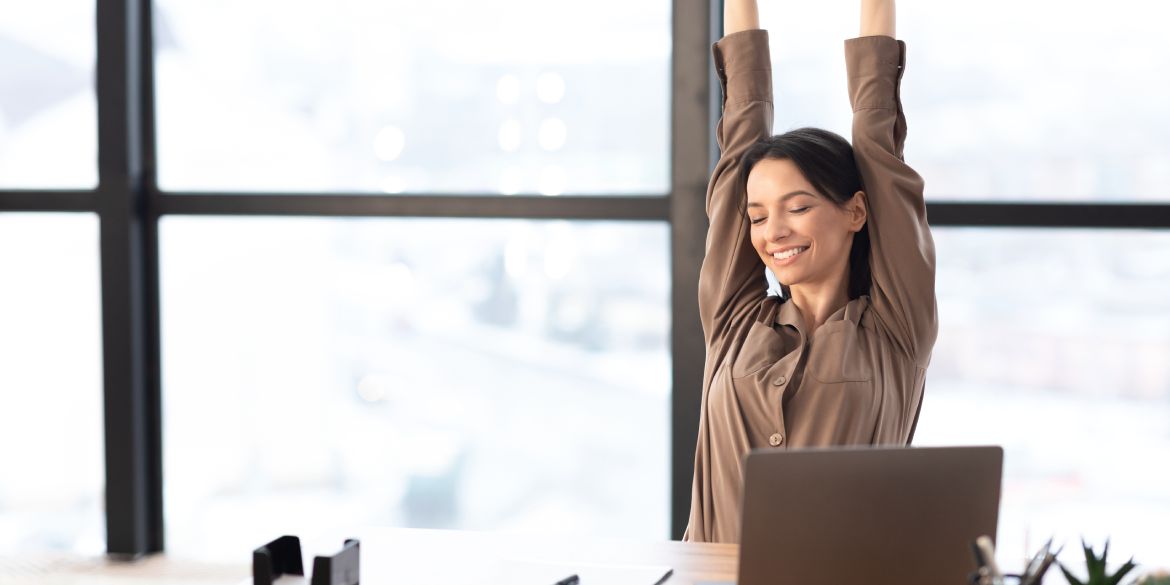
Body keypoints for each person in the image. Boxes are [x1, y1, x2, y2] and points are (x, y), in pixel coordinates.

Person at [684, 0, 937, 543]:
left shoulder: (896, 330)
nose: (773, 231)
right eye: (758, 216)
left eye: (797, 208)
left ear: (855, 211)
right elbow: (739, 140)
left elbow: (876, 134)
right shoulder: (735, 323)